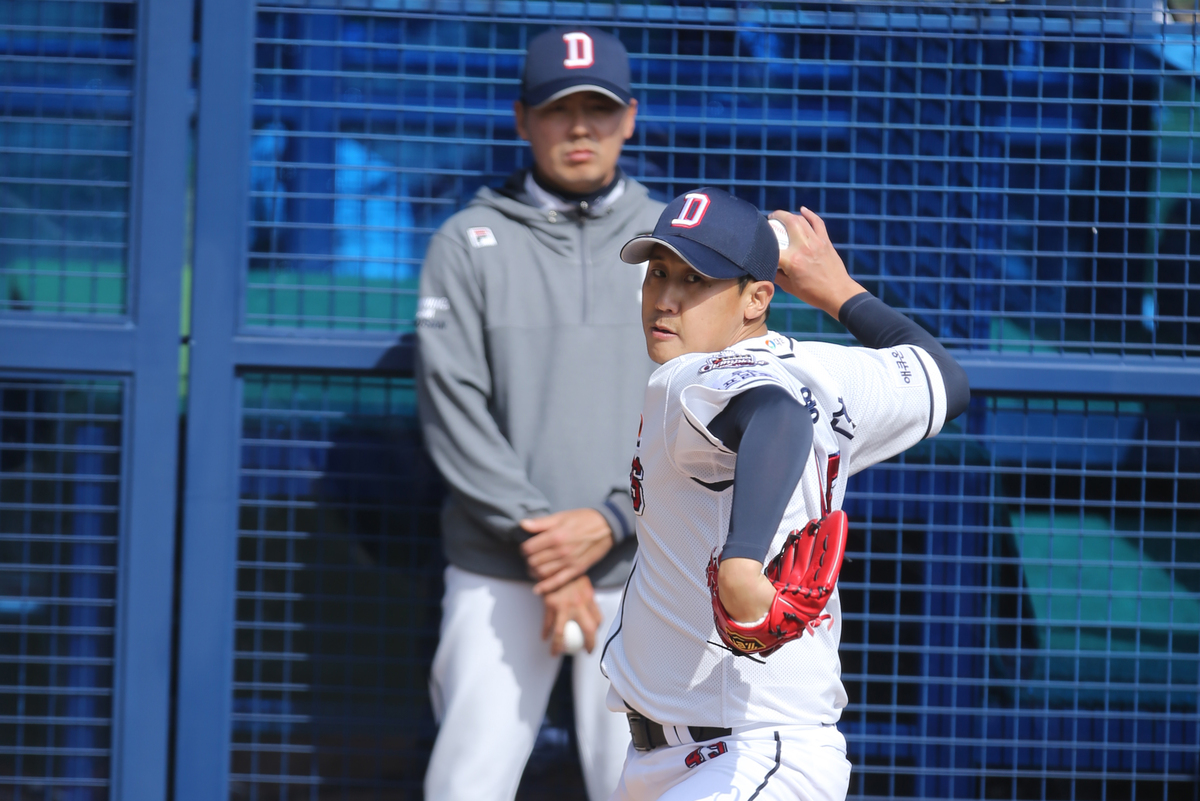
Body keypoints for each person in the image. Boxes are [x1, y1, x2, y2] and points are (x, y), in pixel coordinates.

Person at [599, 187, 971, 800]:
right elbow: (945, 380)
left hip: (748, 755)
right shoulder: (827, 371)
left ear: (757, 298)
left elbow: (776, 417)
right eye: (658, 272)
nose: (665, 298)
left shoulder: (684, 378)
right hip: (701, 754)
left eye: (696, 279)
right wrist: (838, 291)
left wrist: (742, 563)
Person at [415, 26, 665, 801]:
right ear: (523, 119)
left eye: (599, 109)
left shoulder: (674, 245)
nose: (580, 127)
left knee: (647, 786)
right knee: (467, 784)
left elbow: (703, 413)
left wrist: (615, 520)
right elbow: (453, 411)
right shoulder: (466, 242)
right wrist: (551, 551)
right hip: (500, 566)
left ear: (629, 118)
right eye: (558, 109)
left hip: (648, 568)